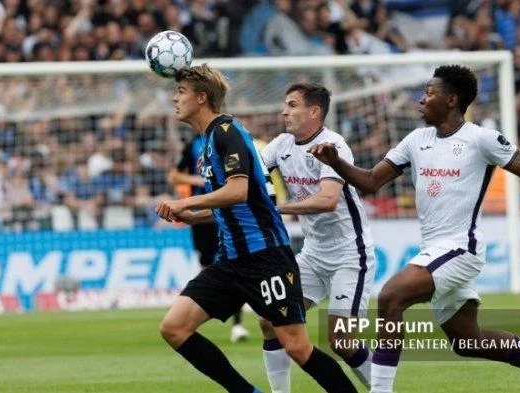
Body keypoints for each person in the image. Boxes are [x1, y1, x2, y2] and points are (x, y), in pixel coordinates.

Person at [309, 64, 520, 393]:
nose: (421, 100)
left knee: (391, 297)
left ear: (451, 100)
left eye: (429, 93)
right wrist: (336, 162)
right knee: (468, 341)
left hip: (461, 249)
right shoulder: (415, 140)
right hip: (435, 251)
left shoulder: (481, 139)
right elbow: (370, 181)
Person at [156, 64, 358, 393]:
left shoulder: (227, 132)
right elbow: (244, 201)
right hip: (231, 260)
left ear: (202, 97)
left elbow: (239, 191)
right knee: (174, 327)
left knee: (296, 347)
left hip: (265, 257)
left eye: (181, 92)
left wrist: (186, 204)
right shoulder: (207, 141)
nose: (174, 98)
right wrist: (201, 215)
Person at [259, 83, 375, 392]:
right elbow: (251, 174)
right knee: (271, 322)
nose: (285, 110)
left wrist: (277, 208)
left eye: (293, 105)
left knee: (341, 341)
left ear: (314, 111)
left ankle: (381, 389)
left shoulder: (332, 145)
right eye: (286, 104)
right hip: (312, 254)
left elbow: (328, 200)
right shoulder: (280, 145)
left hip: (350, 255)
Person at [169, 134, 250, 343]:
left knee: (235, 262)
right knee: (206, 264)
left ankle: (238, 323)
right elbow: (174, 176)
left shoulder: (229, 139)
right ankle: (203, 313)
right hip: (201, 213)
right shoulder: (193, 144)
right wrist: (198, 179)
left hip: (227, 209)